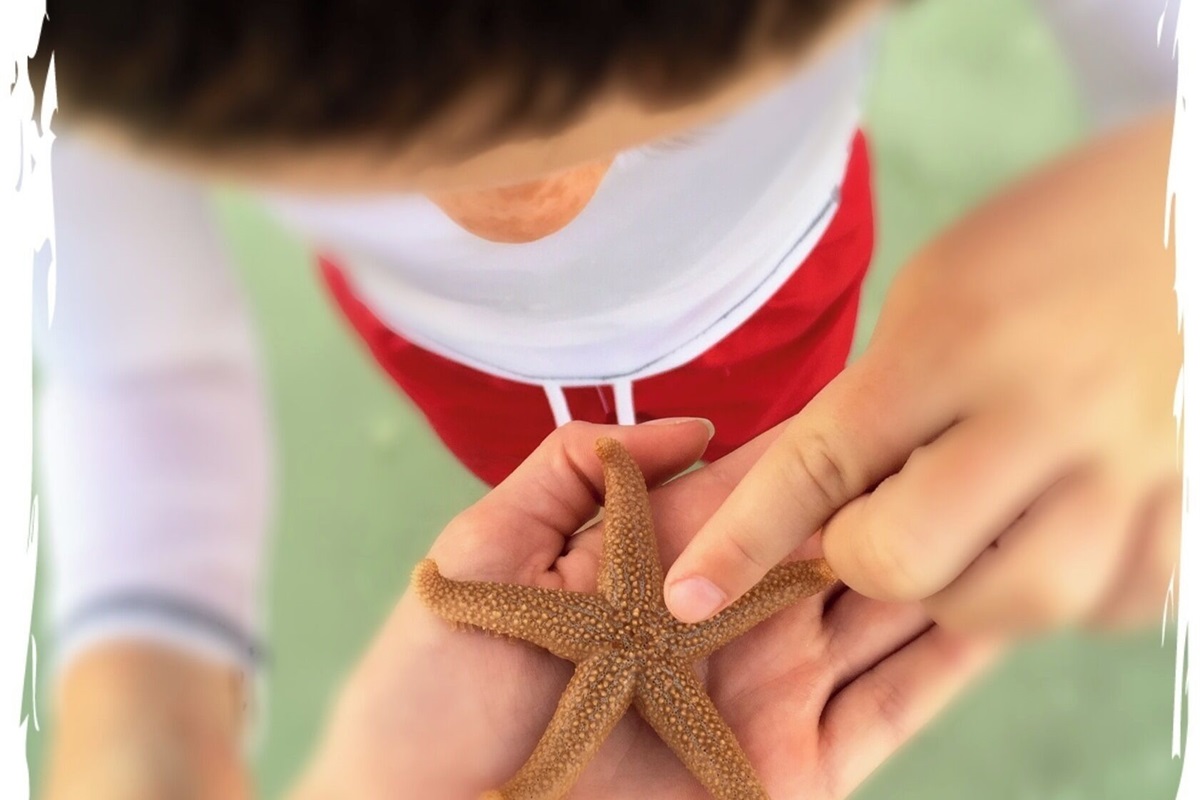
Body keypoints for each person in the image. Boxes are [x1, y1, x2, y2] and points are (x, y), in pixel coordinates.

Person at [30, 0, 1180, 798]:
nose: (531, 203)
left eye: (683, 114)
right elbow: (130, 352)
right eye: (343, 139)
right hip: (454, 361)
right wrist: (150, 705)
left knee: (797, 482)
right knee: (552, 497)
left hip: (778, 300)